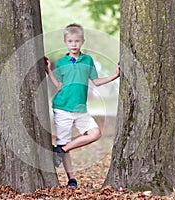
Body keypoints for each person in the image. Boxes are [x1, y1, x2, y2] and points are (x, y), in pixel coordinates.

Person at [44, 23, 120, 189]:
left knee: (95, 133)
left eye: (77, 41)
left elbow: (96, 81)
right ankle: (71, 179)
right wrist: (49, 70)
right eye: (70, 41)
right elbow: (58, 85)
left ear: (82, 41)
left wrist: (115, 76)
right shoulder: (63, 62)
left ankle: (60, 150)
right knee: (64, 139)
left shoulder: (88, 60)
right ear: (65, 41)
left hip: (80, 110)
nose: (74, 44)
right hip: (62, 108)